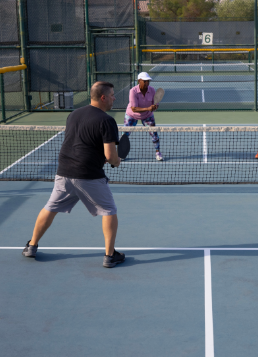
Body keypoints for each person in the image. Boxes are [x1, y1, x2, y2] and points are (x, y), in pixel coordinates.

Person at [22, 81, 125, 268]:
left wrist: (100, 158)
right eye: (111, 95)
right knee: (109, 210)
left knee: (50, 207)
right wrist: (116, 161)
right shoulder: (106, 120)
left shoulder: (74, 114)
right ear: (103, 97)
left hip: (64, 171)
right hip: (88, 175)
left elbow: (81, 143)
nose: (114, 98)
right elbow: (111, 156)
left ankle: (31, 245)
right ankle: (110, 256)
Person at [122, 71, 162, 161]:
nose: (147, 83)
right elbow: (134, 108)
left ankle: (158, 153)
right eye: (145, 81)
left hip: (147, 115)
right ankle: (121, 154)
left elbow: (155, 104)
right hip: (131, 115)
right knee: (124, 135)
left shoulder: (152, 90)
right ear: (139, 81)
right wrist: (148, 108)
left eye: (148, 81)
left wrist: (155, 107)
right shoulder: (133, 91)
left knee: (154, 134)